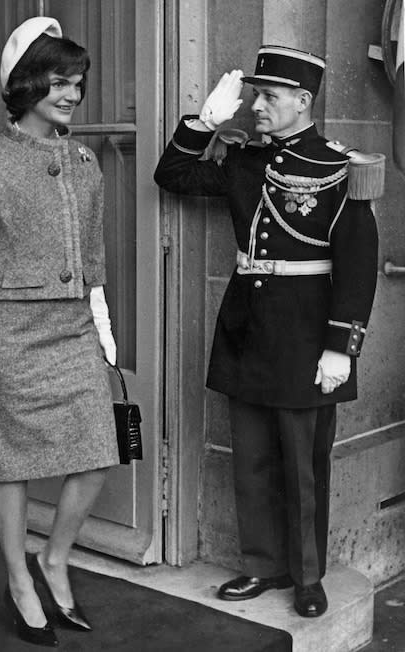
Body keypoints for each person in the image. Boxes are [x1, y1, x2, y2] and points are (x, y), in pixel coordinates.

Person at [154, 45, 381, 618]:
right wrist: (202, 124)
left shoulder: (338, 166)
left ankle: (307, 576)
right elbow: (173, 175)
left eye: (268, 96)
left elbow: (357, 261)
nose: (256, 105)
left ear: (303, 102)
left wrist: (341, 346)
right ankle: (260, 565)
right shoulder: (246, 160)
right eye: (255, 95)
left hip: (307, 336)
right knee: (250, 457)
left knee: (303, 464)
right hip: (246, 330)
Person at [0, 17, 120, 647]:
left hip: (72, 329)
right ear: (25, 85)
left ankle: (55, 558)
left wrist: (100, 323)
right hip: (10, 333)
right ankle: (19, 578)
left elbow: (93, 251)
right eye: (58, 82)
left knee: (101, 447)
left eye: (77, 83)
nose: (71, 94)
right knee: (11, 466)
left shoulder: (84, 160)